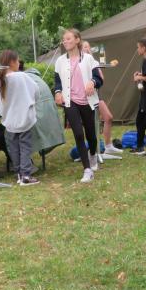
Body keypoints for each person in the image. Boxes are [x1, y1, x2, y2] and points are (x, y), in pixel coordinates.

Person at [53, 28, 104, 183]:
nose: (65, 41)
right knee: (78, 134)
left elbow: (99, 79)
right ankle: (87, 170)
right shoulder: (60, 61)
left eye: (68, 38)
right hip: (70, 102)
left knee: (91, 135)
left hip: (87, 102)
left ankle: (93, 154)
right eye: (64, 39)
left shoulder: (88, 59)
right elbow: (57, 82)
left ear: (77, 40)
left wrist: (92, 82)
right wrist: (58, 92)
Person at [0, 50, 39, 186]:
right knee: (25, 147)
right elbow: (36, 92)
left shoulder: (0, 80)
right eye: (18, 60)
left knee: (13, 147)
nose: (19, 63)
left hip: (10, 120)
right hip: (24, 117)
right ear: (12, 62)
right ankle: (26, 175)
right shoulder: (22, 76)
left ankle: (19, 174)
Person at [82, 40, 122, 155]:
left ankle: (108, 146)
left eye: (88, 47)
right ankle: (92, 151)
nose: (87, 49)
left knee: (108, 118)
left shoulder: (94, 62)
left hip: (97, 95)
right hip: (87, 96)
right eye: (84, 47)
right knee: (91, 124)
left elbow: (101, 78)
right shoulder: (81, 62)